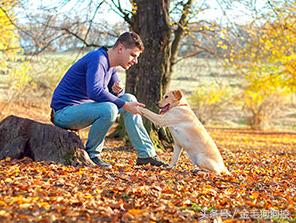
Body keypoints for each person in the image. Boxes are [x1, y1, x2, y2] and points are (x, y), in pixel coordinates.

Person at [50, 31, 167, 169]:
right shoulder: (98, 59)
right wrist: (123, 103)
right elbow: (94, 91)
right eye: (133, 55)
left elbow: (118, 95)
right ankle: (92, 155)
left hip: (85, 109)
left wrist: (118, 91)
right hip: (64, 113)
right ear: (121, 48)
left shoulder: (111, 67)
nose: (135, 61)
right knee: (110, 108)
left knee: (129, 98)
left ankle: (146, 155)